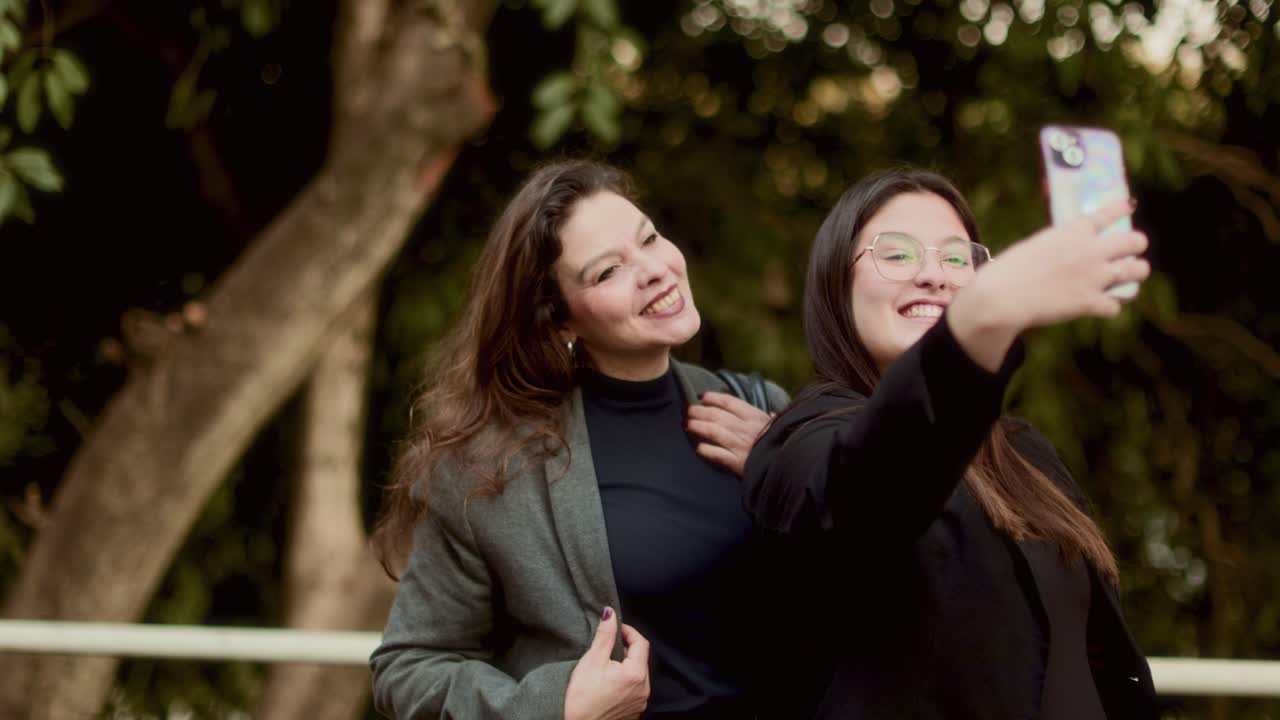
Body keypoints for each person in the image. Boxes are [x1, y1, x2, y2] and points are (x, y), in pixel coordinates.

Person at [369, 159, 789, 719]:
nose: (653, 270)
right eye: (606, 272)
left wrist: (792, 468)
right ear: (561, 321)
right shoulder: (491, 470)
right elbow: (409, 665)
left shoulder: (765, 413)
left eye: (649, 239)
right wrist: (556, 708)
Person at [742, 168, 1159, 719]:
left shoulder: (1024, 452)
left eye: (957, 259)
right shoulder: (800, 443)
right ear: (835, 283)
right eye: (897, 254)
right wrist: (983, 317)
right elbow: (874, 483)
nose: (935, 276)